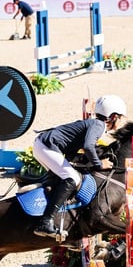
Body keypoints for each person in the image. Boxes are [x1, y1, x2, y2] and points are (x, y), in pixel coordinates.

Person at [31, 94, 127, 238]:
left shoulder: (94, 124)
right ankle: (45, 222)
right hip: (47, 146)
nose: (121, 121)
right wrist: (99, 164)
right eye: (121, 117)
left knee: (66, 177)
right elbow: (88, 146)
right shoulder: (98, 126)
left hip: (43, 145)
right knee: (72, 178)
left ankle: (59, 220)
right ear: (113, 116)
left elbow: (73, 148)